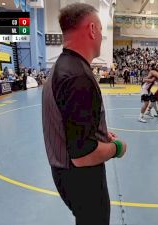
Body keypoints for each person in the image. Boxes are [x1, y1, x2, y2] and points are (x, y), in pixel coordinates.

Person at [42, 3, 127, 225]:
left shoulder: (63, 67)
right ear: (91, 29)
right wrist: (117, 148)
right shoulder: (78, 77)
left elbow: (71, 126)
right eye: (100, 29)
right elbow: (82, 155)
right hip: (82, 179)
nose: (101, 36)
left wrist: (99, 134)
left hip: (65, 172)